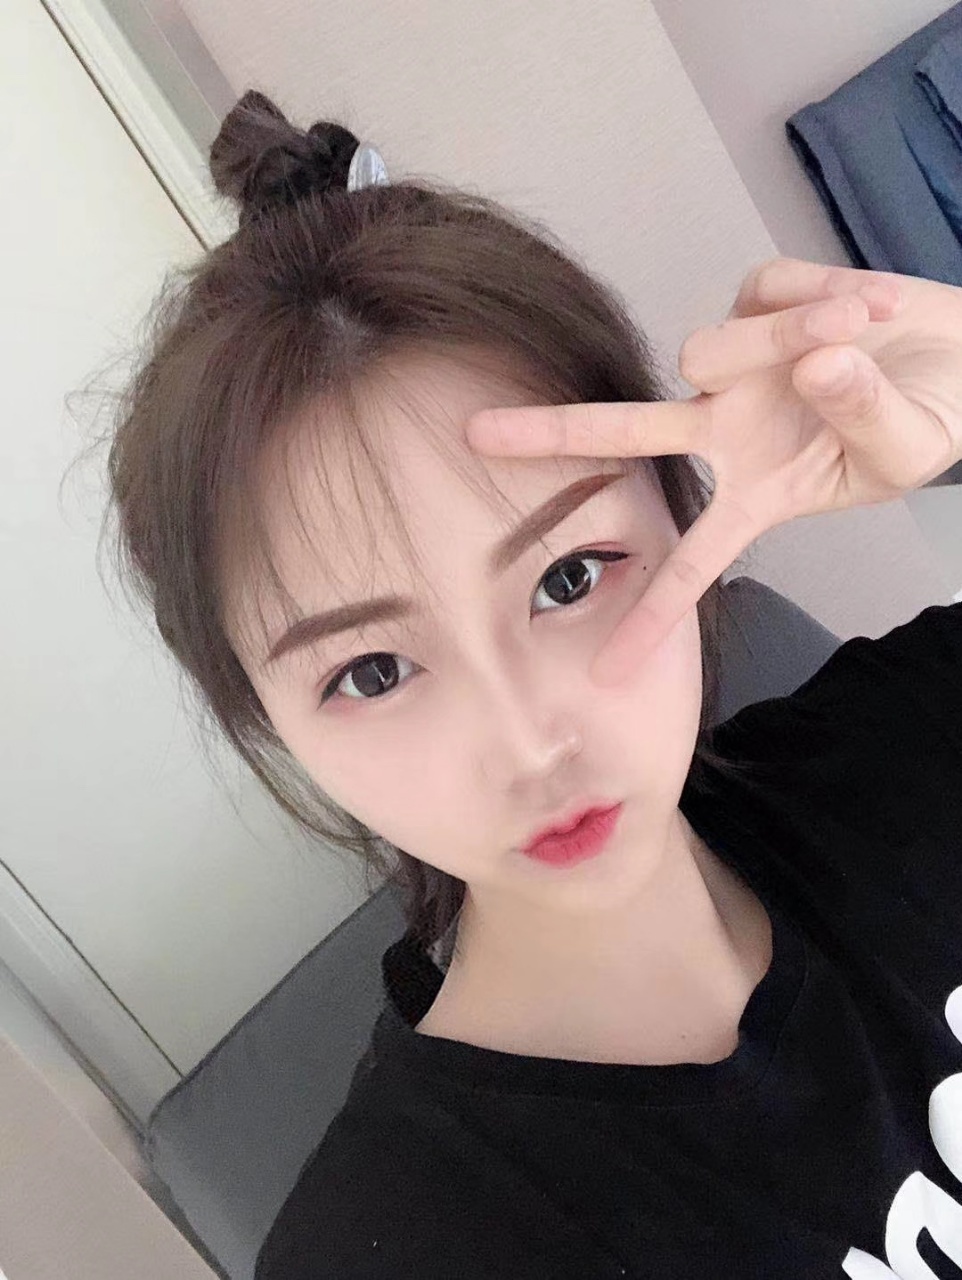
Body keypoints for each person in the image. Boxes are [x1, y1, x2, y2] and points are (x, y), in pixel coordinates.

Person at [103, 87, 962, 1278]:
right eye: (372, 669)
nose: (526, 739)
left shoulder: (914, 746)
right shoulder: (403, 1251)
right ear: (270, 721)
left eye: (566, 577)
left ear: (677, 505)